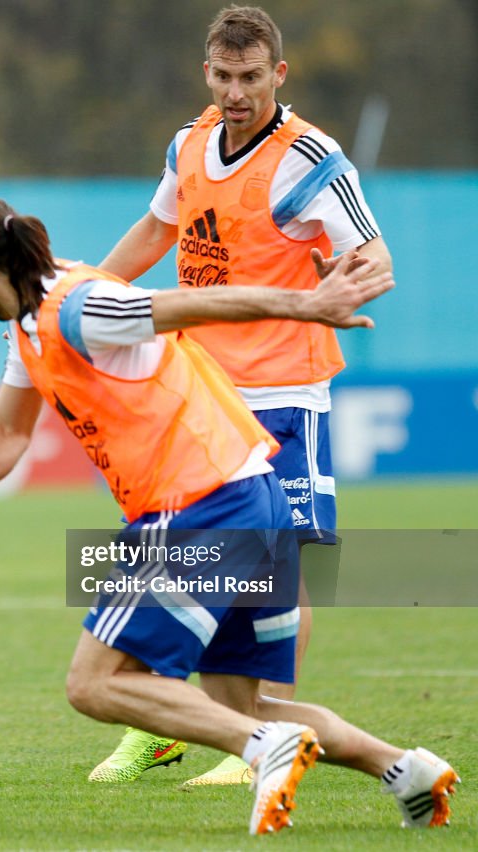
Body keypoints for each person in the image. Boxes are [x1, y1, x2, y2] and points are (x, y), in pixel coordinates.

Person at [0, 195, 456, 834]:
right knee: (240, 702)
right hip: (246, 497)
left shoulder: (81, 305)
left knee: (94, 684)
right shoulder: (28, 326)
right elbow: (10, 430)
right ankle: (407, 770)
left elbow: (190, 303)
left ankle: (264, 749)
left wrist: (307, 307)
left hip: (202, 504)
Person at [89, 4, 394, 787]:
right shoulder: (189, 145)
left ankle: (257, 727)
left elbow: (377, 261)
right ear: (206, 73)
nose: (235, 91)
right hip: (199, 394)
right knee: (177, 552)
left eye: (251, 76)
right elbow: (157, 232)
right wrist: (87, 298)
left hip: (286, 392)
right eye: (223, 76)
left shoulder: (309, 159)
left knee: (278, 568)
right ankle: (166, 721)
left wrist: (341, 277)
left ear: (278, 75)